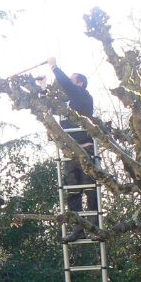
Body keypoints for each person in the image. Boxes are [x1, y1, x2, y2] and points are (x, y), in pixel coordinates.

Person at [47, 56, 102, 242]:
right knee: (73, 192)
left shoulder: (83, 95)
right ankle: (78, 229)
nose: (68, 83)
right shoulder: (69, 104)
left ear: (79, 83)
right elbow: (49, 107)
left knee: (90, 189)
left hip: (85, 150)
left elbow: (65, 85)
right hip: (70, 153)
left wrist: (54, 67)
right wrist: (42, 85)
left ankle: (95, 228)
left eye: (71, 80)